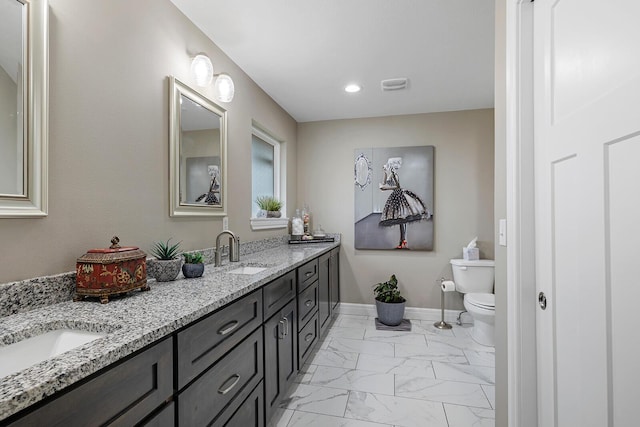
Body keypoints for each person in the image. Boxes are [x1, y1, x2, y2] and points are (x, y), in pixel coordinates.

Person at [378, 157, 431, 249]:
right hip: (395, 195)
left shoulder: (394, 174)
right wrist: (385, 173)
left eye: (389, 164)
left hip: (398, 195)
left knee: (402, 219)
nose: (388, 165)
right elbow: (383, 184)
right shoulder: (390, 174)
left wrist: (386, 188)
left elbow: (397, 186)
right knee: (402, 220)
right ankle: (403, 240)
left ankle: (402, 240)